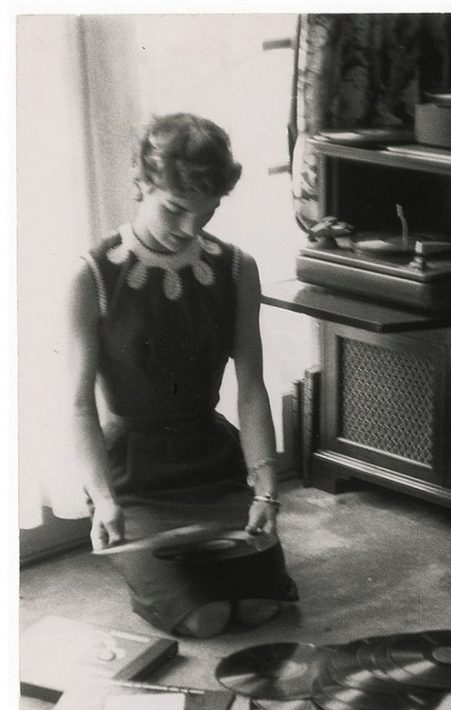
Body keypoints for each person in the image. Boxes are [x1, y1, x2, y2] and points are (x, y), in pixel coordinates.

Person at [65, 112, 298, 638]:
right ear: (142, 182)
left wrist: (265, 491)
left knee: (259, 607)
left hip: (213, 463)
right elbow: (78, 405)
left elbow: (251, 389)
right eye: (176, 208)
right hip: (135, 478)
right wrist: (104, 499)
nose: (192, 227)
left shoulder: (237, 268)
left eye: (208, 210)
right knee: (204, 617)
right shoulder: (93, 274)